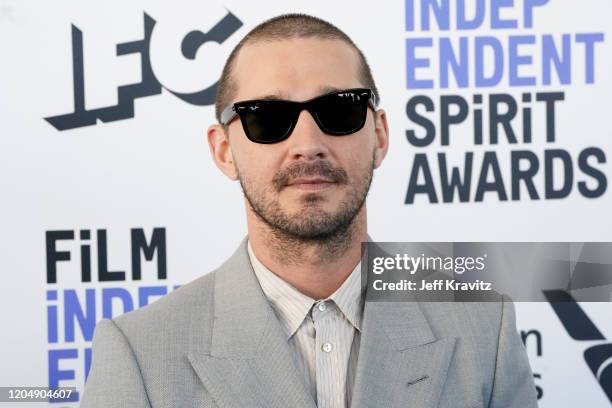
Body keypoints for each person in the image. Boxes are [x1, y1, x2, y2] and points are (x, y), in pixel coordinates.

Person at [81, 13, 538, 408]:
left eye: (339, 111)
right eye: (267, 118)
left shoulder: (483, 327)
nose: (307, 145)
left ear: (379, 135)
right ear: (223, 151)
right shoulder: (139, 353)